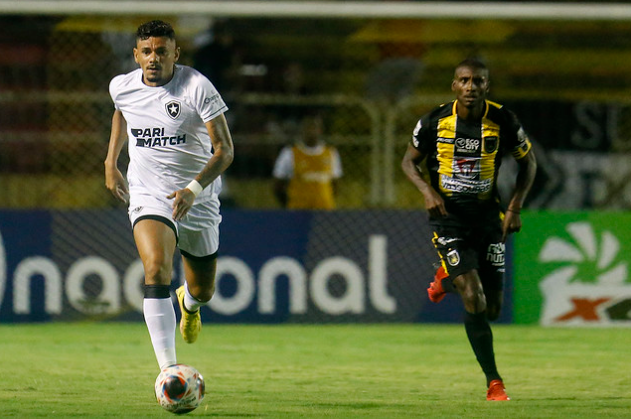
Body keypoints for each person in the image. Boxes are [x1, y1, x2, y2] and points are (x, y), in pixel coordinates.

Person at [401, 58, 537, 401]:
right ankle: (494, 382)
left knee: (492, 308)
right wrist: (427, 191)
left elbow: (528, 163)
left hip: (489, 219)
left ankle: (445, 280)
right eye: (464, 80)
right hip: (449, 219)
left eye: (478, 81)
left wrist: (515, 206)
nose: (471, 87)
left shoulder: (503, 120)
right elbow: (408, 161)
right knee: (473, 296)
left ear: (486, 86)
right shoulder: (433, 121)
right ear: (454, 85)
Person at [104, 20, 234, 371]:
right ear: (136, 55)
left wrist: (193, 189)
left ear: (176, 53)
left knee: (203, 290)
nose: (154, 58)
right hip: (149, 192)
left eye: (162, 51)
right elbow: (122, 113)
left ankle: (189, 306)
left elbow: (224, 151)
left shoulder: (196, 87)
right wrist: (111, 161)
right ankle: (169, 371)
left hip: (198, 197)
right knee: (156, 268)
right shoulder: (122, 87)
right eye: (146, 51)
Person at [272, 115, 343, 209]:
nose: (311, 131)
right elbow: (278, 185)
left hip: (324, 210)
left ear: (320, 131)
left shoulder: (331, 153)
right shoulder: (289, 153)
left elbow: (336, 183)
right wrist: (288, 203)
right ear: (301, 131)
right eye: (307, 128)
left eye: (314, 128)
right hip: (298, 209)